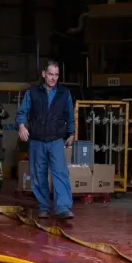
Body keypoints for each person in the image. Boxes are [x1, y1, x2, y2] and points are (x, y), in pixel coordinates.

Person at [16, 60, 76, 219]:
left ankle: (63, 208)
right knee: (38, 175)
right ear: (44, 74)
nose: (53, 78)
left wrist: (72, 133)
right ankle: (44, 206)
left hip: (56, 140)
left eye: (56, 75)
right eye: (50, 74)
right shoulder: (32, 93)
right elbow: (22, 112)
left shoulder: (64, 93)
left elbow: (70, 115)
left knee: (60, 173)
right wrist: (21, 126)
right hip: (37, 140)